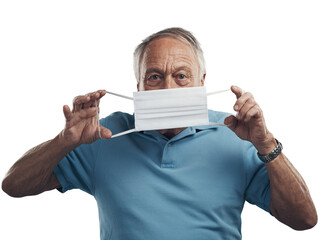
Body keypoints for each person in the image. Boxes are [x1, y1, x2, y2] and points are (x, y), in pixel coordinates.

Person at [2, 27, 317, 239]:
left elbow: (304, 220)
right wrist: (64, 141)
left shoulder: (237, 135)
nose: (168, 87)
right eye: (154, 77)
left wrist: (266, 144)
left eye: (181, 76)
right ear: (138, 86)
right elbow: (14, 186)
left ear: (201, 82)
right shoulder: (103, 135)